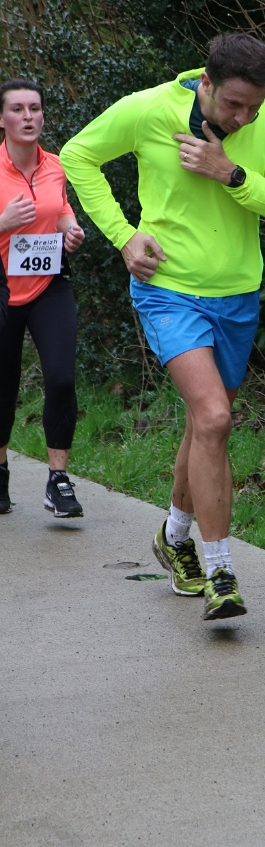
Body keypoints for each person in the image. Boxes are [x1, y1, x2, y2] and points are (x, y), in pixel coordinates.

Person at [60, 32, 265, 621]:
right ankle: (221, 572)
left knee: (205, 426)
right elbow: (77, 154)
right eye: (234, 105)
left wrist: (232, 173)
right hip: (168, 289)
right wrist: (125, 238)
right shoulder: (151, 109)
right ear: (206, 84)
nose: (244, 117)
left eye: (253, 106)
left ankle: (173, 537)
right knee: (215, 417)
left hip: (237, 294)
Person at [0, 78, 86, 517]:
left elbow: (61, 209)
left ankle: (58, 480)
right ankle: (0, 470)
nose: (28, 116)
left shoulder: (55, 166)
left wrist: (70, 230)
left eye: (34, 108)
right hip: (2, 288)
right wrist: (3, 222)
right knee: (2, 387)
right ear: (2, 119)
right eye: (17, 109)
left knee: (61, 379)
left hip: (49, 283)